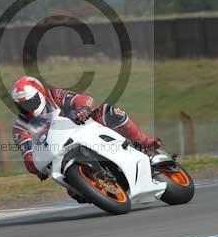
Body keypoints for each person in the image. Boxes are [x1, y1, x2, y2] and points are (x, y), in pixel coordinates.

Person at [11, 75, 161, 180]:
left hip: (84, 130)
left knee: (109, 111)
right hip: (61, 157)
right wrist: (37, 169)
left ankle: (143, 142)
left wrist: (83, 109)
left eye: (30, 102)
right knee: (77, 194)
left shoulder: (54, 95)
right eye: (22, 106)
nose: (28, 109)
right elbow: (28, 156)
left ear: (40, 94)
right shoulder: (20, 127)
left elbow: (84, 99)